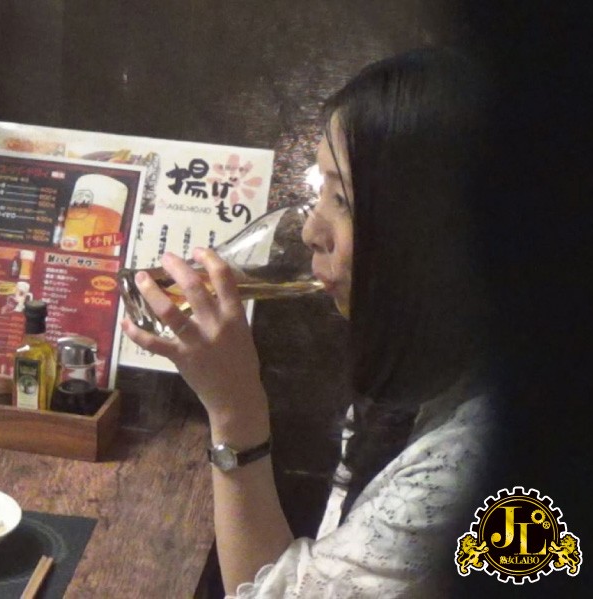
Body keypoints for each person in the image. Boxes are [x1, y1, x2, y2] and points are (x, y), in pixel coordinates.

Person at [122, 47, 497, 597]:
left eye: (342, 199)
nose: (309, 232)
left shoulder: (462, 468)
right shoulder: (420, 373)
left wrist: (233, 407)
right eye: (321, 190)